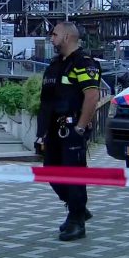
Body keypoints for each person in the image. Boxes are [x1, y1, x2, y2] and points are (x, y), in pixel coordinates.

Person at [35, 21, 100, 241]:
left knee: (73, 175)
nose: (51, 38)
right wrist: (41, 132)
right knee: (51, 173)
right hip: (53, 130)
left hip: (72, 128)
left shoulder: (83, 63)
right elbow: (47, 101)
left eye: (54, 34)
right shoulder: (55, 65)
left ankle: (76, 221)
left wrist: (80, 127)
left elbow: (92, 97)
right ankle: (77, 209)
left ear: (66, 37)